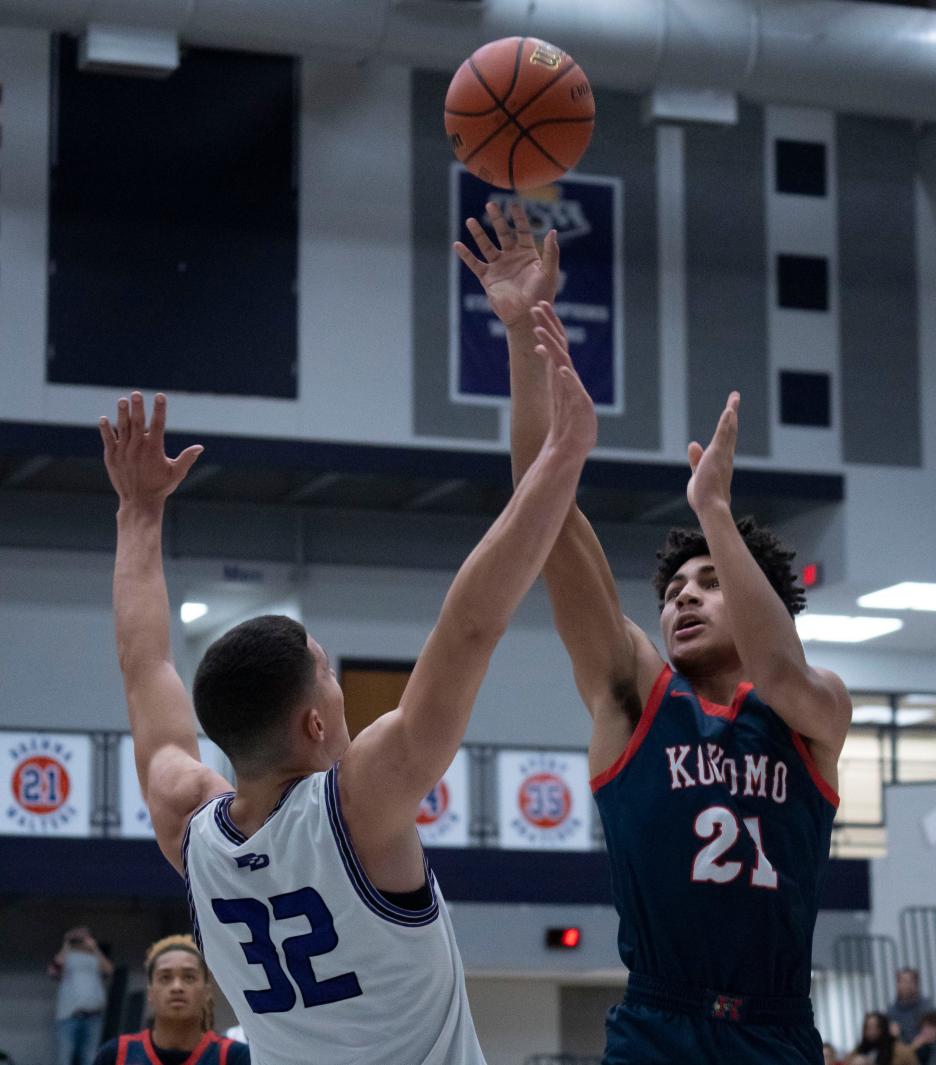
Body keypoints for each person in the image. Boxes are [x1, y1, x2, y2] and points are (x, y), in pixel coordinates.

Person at [98, 373, 595, 1065]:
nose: (338, 687)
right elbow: (471, 624)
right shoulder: (358, 804)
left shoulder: (189, 823)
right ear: (312, 724)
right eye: (328, 672)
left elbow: (145, 667)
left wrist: (138, 512)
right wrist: (563, 456)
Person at [455, 202, 853, 1065]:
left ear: (762, 604)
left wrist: (715, 511)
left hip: (778, 1029)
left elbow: (780, 672)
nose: (683, 599)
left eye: (710, 582)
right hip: (659, 1024)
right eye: (674, 588)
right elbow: (544, 514)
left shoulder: (812, 711)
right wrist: (525, 334)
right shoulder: (634, 689)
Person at [92, 935, 249, 1065]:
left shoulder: (236, 1057)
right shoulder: (114, 1055)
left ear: (207, 991)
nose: (177, 987)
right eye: (165, 978)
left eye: (189, 977)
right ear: (150, 992)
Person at [50, 926, 114, 1065]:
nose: (82, 940)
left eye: (85, 937)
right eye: (79, 937)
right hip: (69, 1015)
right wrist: (67, 942)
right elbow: (54, 971)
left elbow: (108, 970)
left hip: (93, 1016)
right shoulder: (66, 956)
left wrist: (95, 948)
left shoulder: (95, 957)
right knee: (65, 1058)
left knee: (90, 1058)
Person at [847, 1011, 919, 1065]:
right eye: (868, 1028)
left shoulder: (901, 1051)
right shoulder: (858, 1051)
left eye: (876, 1027)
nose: (871, 1032)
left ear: (884, 1029)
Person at [889, 969, 934, 1046]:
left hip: (924, 1049)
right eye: (903, 981)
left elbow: (931, 1031)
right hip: (901, 1050)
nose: (906, 985)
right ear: (898, 984)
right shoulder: (892, 1011)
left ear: (916, 984)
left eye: (910, 981)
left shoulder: (926, 1007)